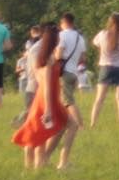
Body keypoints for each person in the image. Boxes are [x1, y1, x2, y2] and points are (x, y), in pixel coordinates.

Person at [12, 28, 77, 169]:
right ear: (54, 40)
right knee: (39, 133)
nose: (61, 39)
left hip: (47, 98)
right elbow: (46, 85)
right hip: (47, 100)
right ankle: (44, 165)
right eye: (58, 37)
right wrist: (48, 108)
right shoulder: (47, 61)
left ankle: (39, 165)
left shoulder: (45, 58)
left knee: (42, 132)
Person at [88, 14, 119, 127]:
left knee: (99, 98)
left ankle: (93, 123)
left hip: (105, 67)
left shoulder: (102, 34)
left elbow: (95, 42)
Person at [54, 13, 88, 109]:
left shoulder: (61, 35)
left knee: (68, 102)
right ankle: (69, 123)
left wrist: (54, 54)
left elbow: (59, 55)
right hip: (74, 72)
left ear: (63, 22)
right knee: (66, 100)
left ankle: (79, 124)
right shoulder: (80, 37)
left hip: (64, 72)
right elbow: (83, 58)